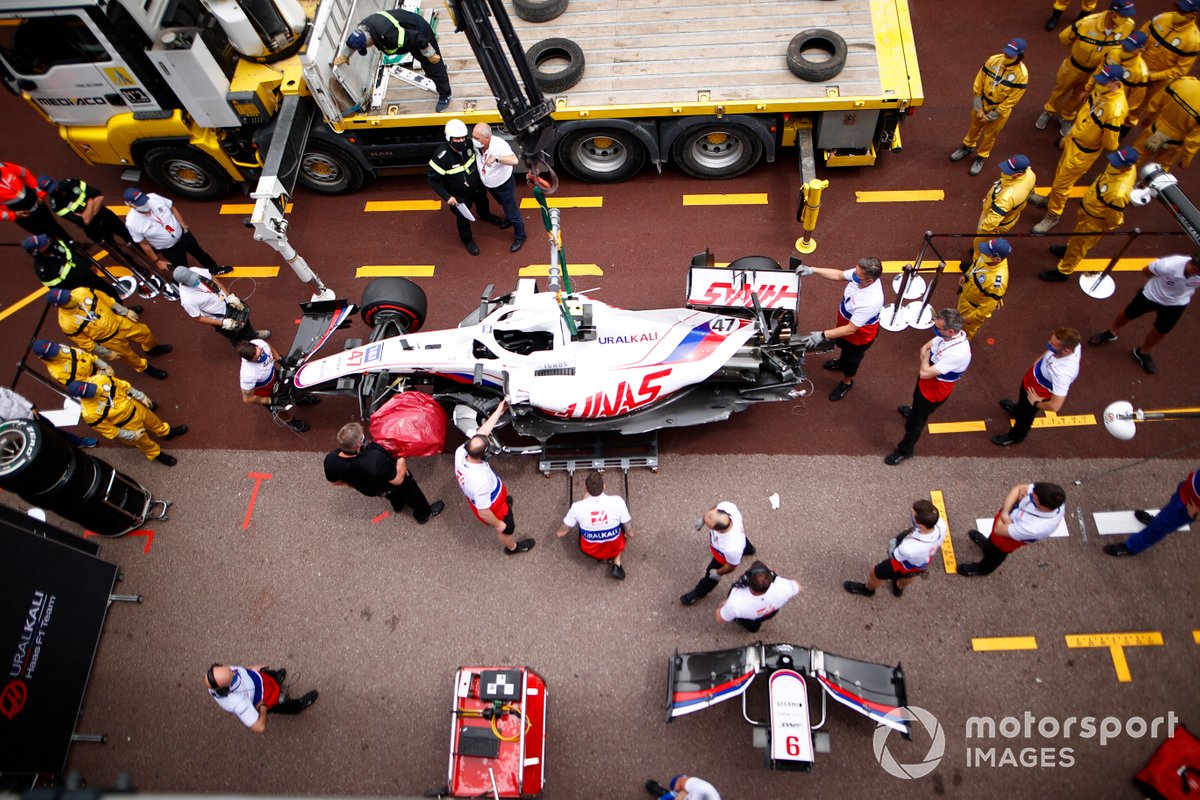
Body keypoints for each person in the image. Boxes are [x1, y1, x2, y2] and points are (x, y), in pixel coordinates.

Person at [1031, 62, 1129, 235]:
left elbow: (1110, 144)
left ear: (1115, 83)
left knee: (1063, 184)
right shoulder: (1102, 91)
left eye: (1104, 81)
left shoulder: (1114, 110)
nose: (1099, 83)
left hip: (1083, 152)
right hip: (1074, 140)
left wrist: (1088, 137)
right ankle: (1050, 199)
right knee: (1060, 174)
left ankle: (1053, 215)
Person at [885, 309, 972, 466]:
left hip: (933, 392)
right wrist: (925, 360)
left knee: (915, 424)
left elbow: (924, 371)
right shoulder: (946, 337)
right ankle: (913, 412)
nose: (934, 329)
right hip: (926, 383)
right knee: (916, 402)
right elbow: (924, 349)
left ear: (950, 331)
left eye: (937, 327)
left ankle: (905, 450)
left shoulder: (958, 352)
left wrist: (925, 358)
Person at [1087, 253, 1200, 374]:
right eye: (1195, 266)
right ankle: (1111, 332)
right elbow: (1146, 271)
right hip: (1151, 295)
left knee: (1161, 333)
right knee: (1128, 314)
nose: (1195, 271)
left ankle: (1143, 352)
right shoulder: (1168, 265)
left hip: (1177, 303)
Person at [1039, 146, 1138, 282]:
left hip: (1094, 221)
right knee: (1077, 238)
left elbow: (1113, 217)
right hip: (1088, 211)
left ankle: (1063, 271)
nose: (1112, 163)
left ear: (1127, 167)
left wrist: (1106, 226)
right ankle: (1069, 248)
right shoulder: (1121, 167)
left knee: (1079, 246)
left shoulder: (1118, 193)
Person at [1037, 1, 1136, 134]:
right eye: (1124, 15)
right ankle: (1049, 111)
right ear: (1113, 13)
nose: (1127, 19)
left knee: (1079, 96)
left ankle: (1067, 116)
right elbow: (1065, 38)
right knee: (1060, 90)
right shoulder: (1087, 23)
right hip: (1074, 66)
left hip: (1095, 72)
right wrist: (1078, 53)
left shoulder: (1128, 26)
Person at [795, 257, 885, 401]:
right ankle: (840, 363)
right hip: (844, 325)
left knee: (851, 361)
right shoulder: (859, 275)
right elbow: (839, 275)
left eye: (858, 275)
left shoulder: (870, 301)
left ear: (869, 280)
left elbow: (851, 329)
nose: (854, 275)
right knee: (842, 345)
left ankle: (846, 382)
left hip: (858, 338)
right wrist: (812, 270)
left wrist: (822, 335)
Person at [454, 400, 534, 554]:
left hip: (493, 499)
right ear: (484, 453)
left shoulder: (461, 452)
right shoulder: (481, 481)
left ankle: (505, 505)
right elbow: (483, 511)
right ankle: (512, 547)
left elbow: (480, 434)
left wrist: (498, 411)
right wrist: (498, 524)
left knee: (504, 511)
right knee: (507, 528)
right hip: (495, 508)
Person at [324, 421, 444, 523]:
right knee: (412, 493)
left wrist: (352, 483)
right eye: (363, 438)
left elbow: (335, 481)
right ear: (358, 446)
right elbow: (398, 479)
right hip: (393, 483)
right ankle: (424, 514)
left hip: (375, 490)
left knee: (392, 496)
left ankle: (398, 506)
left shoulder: (331, 461)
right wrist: (402, 457)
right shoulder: (375, 459)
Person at [342, 7, 451, 112]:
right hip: (408, 31)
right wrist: (345, 55)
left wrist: (430, 53)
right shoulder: (362, 28)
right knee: (421, 58)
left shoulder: (389, 36)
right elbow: (352, 42)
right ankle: (434, 70)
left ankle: (445, 94)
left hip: (419, 32)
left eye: (366, 46)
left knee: (433, 64)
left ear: (369, 41)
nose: (367, 48)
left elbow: (417, 38)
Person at [48, 286, 171, 379]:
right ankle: (145, 368)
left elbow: (106, 299)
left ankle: (151, 348)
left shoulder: (82, 291)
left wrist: (125, 311)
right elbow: (86, 343)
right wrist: (107, 353)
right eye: (67, 300)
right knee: (130, 357)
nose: (71, 298)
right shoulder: (66, 323)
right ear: (59, 306)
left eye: (69, 295)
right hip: (108, 340)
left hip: (118, 322)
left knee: (145, 332)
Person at [66, 375, 186, 465]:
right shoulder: (89, 414)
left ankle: (166, 432)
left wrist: (140, 396)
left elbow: (123, 385)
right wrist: (131, 435)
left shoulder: (100, 379)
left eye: (91, 388)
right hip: (127, 424)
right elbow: (110, 430)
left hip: (135, 407)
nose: (95, 391)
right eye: (89, 393)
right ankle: (155, 454)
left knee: (155, 422)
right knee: (143, 442)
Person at [949, 39, 1029, 176]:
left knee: (990, 136)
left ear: (1020, 55)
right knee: (974, 128)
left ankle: (982, 156)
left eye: (1011, 54)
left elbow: (1011, 101)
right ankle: (967, 146)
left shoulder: (1021, 75)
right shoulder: (993, 61)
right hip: (982, 103)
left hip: (999, 111)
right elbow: (978, 83)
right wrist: (978, 108)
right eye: (1007, 51)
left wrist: (991, 116)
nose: (1006, 55)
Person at [992, 328, 1083, 446]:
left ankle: (1016, 436)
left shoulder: (1063, 373)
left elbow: (1055, 406)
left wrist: (1036, 403)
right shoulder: (1073, 343)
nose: (1049, 344)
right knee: (1023, 404)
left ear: (1066, 350)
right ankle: (1018, 410)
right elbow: (1050, 352)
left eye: (1053, 344)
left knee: (1026, 416)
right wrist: (1040, 359)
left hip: (1038, 393)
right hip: (1031, 381)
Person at [957, 482, 1067, 576]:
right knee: (992, 543)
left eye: (1032, 498)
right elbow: (1018, 489)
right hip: (1008, 521)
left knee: (996, 554)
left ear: (1044, 508)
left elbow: (999, 530)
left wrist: (1007, 511)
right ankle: (987, 546)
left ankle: (983, 569)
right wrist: (1005, 513)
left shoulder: (1035, 528)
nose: (1029, 495)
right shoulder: (1048, 495)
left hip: (1008, 539)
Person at [844, 499, 946, 598]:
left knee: (875, 573)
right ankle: (898, 586)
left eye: (913, 514)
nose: (911, 514)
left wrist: (893, 544)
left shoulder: (908, 548)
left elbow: (894, 555)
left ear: (921, 526)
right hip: (922, 562)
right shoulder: (941, 525)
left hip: (903, 562)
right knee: (910, 575)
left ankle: (868, 590)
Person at [429, 119, 502, 256]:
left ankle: (485, 215)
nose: (461, 141)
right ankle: (467, 239)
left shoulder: (469, 144)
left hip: (477, 187)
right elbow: (433, 180)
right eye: (457, 139)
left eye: (463, 137)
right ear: (449, 139)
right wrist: (447, 197)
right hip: (459, 196)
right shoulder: (441, 157)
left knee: (483, 201)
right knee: (463, 218)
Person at [122, 188, 231, 276]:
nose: (145, 204)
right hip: (169, 249)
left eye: (144, 200)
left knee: (200, 253)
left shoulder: (154, 198)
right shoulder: (132, 222)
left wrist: (184, 227)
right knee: (183, 269)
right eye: (140, 203)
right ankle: (193, 286)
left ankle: (214, 269)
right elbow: (143, 244)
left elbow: (173, 209)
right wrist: (157, 261)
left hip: (183, 235)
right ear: (131, 205)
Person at [556, 471, 633, 580]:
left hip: (590, 550)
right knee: (622, 526)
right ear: (604, 486)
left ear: (586, 490)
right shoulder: (617, 501)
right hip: (613, 548)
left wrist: (584, 500)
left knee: (581, 523)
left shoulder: (577, 507)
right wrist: (629, 532)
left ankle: (604, 557)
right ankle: (617, 562)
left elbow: (561, 532)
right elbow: (630, 532)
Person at [1104, 468, 1199, 556]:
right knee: (1165, 516)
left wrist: (1197, 514)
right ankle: (1155, 521)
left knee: (1162, 525)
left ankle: (1132, 547)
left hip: (1190, 506)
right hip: (1187, 491)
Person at [680, 501, 757, 606]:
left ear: (718, 530)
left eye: (708, 525)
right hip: (739, 541)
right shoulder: (727, 507)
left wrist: (718, 573)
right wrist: (703, 520)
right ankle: (749, 549)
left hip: (721, 557)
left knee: (710, 575)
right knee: (744, 544)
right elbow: (714, 509)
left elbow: (731, 566)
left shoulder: (732, 548)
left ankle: (699, 592)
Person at [205, 663, 318, 734]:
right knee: (283, 705)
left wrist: (252, 668)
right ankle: (299, 705)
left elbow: (238, 669)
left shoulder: (219, 676)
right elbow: (260, 727)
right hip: (266, 698)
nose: (235, 673)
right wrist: (263, 708)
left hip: (260, 678)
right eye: (233, 677)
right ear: (224, 689)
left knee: (271, 675)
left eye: (231, 670)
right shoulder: (238, 703)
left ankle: (276, 680)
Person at [173, 266, 266, 345]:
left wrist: (229, 296)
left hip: (229, 304)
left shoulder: (195, 270)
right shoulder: (187, 300)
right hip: (219, 317)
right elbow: (198, 318)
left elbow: (213, 280)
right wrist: (222, 323)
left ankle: (253, 335)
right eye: (192, 280)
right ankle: (245, 348)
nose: (196, 280)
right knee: (234, 335)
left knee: (244, 321)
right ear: (184, 283)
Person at [472, 123, 528, 252]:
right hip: (490, 185)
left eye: (477, 138)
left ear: (487, 139)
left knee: (513, 213)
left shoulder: (499, 145)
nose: (474, 140)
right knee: (503, 204)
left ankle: (521, 236)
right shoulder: (477, 146)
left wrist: (496, 158)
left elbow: (514, 160)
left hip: (504, 185)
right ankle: (509, 219)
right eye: (473, 137)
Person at [37, 175, 134, 248]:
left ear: (53, 179)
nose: (56, 189)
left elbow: (99, 196)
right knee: (114, 249)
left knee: (128, 236)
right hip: (94, 229)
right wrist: (90, 202)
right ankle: (133, 265)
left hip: (105, 215)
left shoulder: (72, 182)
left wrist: (86, 214)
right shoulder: (56, 206)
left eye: (54, 186)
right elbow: (84, 221)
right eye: (52, 189)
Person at [236, 339, 312, 433]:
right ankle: (290, 421)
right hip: (265, 392)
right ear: (249, 360)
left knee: (292, 385)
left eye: (261, 352)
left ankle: (300, 400)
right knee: (280, 407)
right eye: (258, 357)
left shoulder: (259, 343)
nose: (263, 356)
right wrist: (271, 400)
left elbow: (269, 347)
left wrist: (280, 359)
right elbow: (247, 399)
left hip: (273, 375)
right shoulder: (248, 375)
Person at [1138, 1, 1200, 115]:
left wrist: (1152, 76)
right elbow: (1141, 35)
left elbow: (1180, 70)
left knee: (1138, 108)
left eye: (1182, 11)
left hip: (1155, 82)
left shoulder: (1192, 41)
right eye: (1177, 7)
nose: (1177, 12)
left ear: (1193, 14)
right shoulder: (1162, 18)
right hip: (1135, 67)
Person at [972, 155, 1036, 262]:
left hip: (996, 223)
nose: (1004, 171)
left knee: (979, 244)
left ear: (1019, 174)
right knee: (985, 241)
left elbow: (992, 221)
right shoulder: (1030, 174)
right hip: (1009, 215)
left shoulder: (1007, 198)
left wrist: (982, 230)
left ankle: (976, 261)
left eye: (1009, 170)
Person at [1131, 75, 1200, 172]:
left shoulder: (1185, 82)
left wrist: (1149, 116)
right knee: (1160, 170)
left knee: (1135, 157)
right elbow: (1193, 141)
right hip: (1174, 143)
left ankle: (1118, 178)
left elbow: (1158, 99)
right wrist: (1185, 160)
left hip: (1155, 130)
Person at [22, 234, 122, 300]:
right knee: (102, 301)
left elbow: (72, 253)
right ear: (38, 251)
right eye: (44, 244)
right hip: (81, 289)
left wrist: (88, 264)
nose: (48, 241)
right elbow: (56, 288)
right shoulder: (43, 270)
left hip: (89, 275)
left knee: (109, 291)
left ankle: (122, 307)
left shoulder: (54, 243)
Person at [0, 385, 97, 449]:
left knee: (53, 429)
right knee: (43, 443)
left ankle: (78, 442)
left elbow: (13, 395)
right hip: (22, 429)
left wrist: (31, 406)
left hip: (32, 415)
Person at [716, 561, 801, 632]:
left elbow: (720, 618)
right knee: (756, 624)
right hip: (769, 612)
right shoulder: (784, 586)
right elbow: (798, 586)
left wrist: (723, 605)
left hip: (749, 618)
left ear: (746, 579)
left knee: (749, 624)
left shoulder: (735, 603)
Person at [1, 160, 72, 242]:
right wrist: (13, 215)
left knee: (54, 225)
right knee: (45, 236)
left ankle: (72, 243)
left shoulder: (2, 166)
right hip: (22, 216)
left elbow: (25, 173)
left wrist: (40, 194)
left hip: (37, 202)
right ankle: (58, 248)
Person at [957, 237, 1010, 340]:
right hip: (967, 296)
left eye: (986, 252)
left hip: (973, 309)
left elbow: (986, 309)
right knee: (959, 320)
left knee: (966, 330)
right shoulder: (988, 258)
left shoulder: (997, 282)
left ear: (997, 259)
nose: (982, 252)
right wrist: (967, 275)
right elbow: (975, 265)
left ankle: (961, 343)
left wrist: (970, 317)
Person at [1107, 31, 1151, 131]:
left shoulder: (1140, 73)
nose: (1125, 49)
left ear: (1141, 50)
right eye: (1125, 46)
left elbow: (1134, 101)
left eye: (1129, 48)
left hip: (1114, 110)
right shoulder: (1114, 51)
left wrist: (1118, 114)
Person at [32, 339, 115, 388]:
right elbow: (85, 384)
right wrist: (104, 376)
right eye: (51, 353)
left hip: (102, 371)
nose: (57, 352)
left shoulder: (61, 347)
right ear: (43, 357)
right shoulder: (58, 373)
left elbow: (86, 356)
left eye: (53, 348)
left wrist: (106, 366)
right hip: (98, 384)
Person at [645, 775, 721, 800]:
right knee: (676, 781)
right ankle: (669, 794)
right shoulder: (704, 789)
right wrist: (680, 792)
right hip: (688, 794)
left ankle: (667, 794)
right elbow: (679, 781)